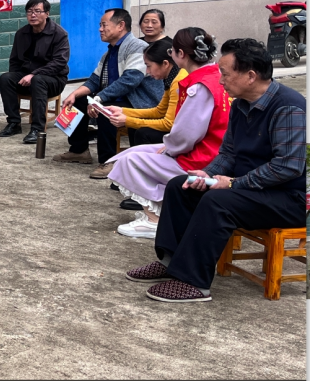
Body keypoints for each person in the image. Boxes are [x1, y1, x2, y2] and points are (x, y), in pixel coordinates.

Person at [125, 38, 305, 303]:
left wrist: (233, 184)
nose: (221, 81)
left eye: (226, 74)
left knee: (218, 201)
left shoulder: (287, 106)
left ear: (250, 76)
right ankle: (170, 261)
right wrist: (208, 174)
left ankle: (194, 282)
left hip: (285, 197)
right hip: (248, 188)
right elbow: (228, 153)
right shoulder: (241, 103)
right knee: (180, 186)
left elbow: (286, 167)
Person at [106, 29, 229, 238]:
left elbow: (185, 134)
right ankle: (161, 211)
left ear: (180, 54)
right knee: (133, 153)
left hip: (201, 159)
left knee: (129, 162)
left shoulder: (199, 86)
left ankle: (155, 219)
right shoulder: (215, 76)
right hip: (212, 151)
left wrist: (169, 148)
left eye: (172, 51)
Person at [53, 8, 163, 179]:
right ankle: (79, 150)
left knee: (105, 109)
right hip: (118, 99)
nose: (100, 29)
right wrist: (74, 94)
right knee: (77, 102)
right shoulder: (109, 53)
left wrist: (98, 99)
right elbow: (94, 80)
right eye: (100, 25)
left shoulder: (138, 47)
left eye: (104, 25)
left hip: (140, 102)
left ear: (121, 26)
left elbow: (129, 80)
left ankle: (109, 161)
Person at [0, 0, 70, 143]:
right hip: (28, 76)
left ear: (47, 14)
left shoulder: (59, 34)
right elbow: (14, 60)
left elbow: (59, 62)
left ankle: (37, 129)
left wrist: (34, 74)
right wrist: (16, 77)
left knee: (38, 80)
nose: (33, 15)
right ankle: (14, 122)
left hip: (54, 79)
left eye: (37, 11)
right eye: (29, 11)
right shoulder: (21, 33)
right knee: (5, 78)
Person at [108, 38, 185, 149]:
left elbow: (168, 124)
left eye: (148, 66)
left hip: (186, 135)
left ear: (165, 64)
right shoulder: (172, 76)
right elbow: (159, 111)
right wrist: (122, 111)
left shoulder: (178, 81)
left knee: (143, 133)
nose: (147, 71)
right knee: (135, 126)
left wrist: (128, 120)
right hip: (180, 129)